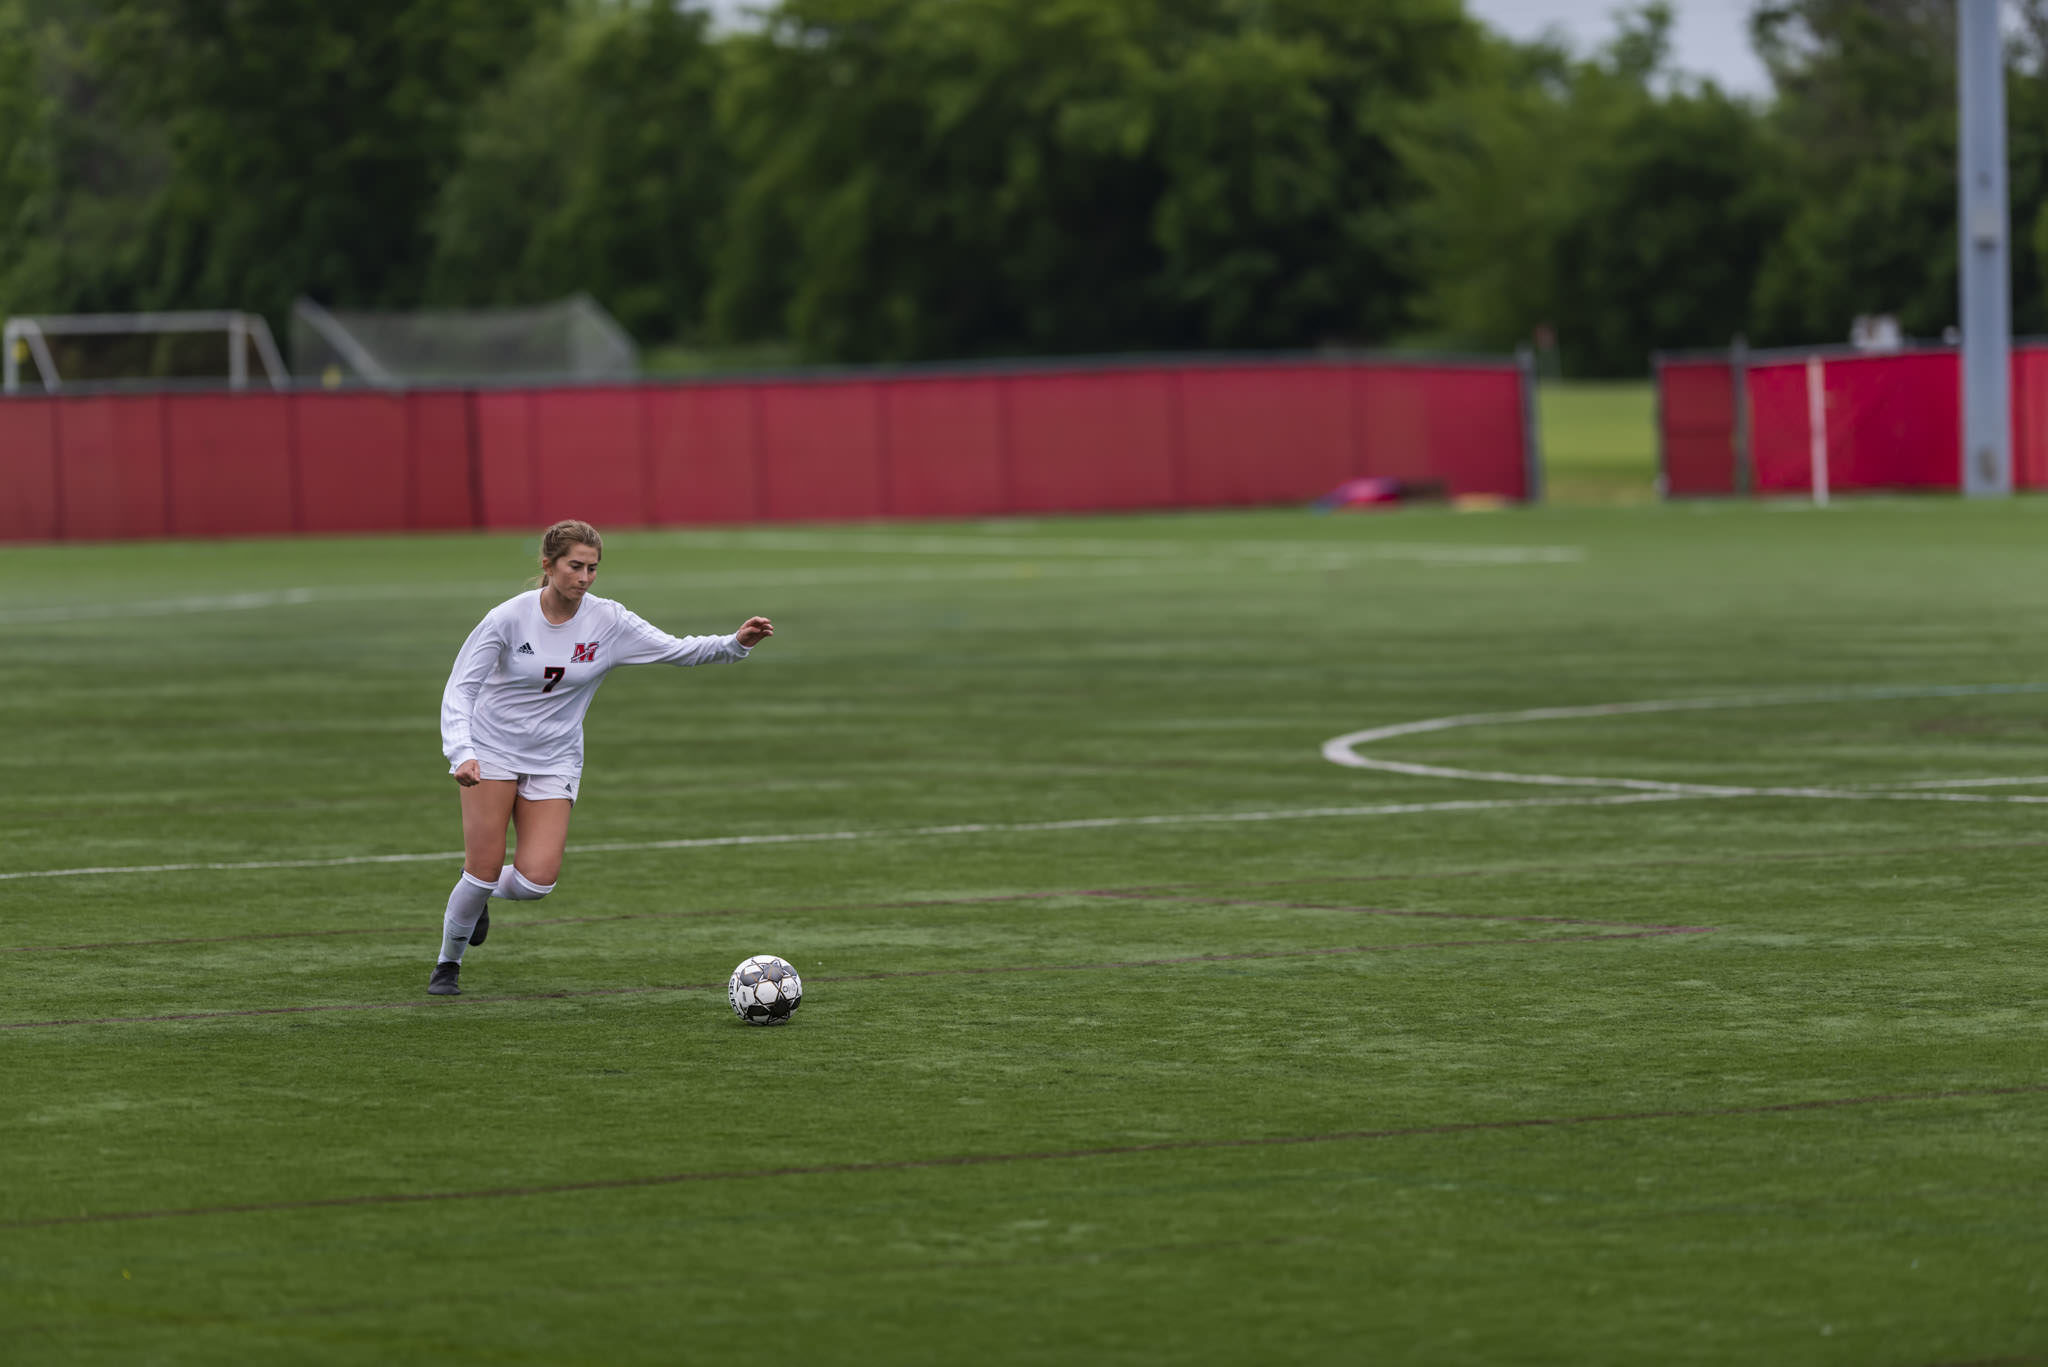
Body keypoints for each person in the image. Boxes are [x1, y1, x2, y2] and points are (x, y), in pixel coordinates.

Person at [430, 518, 772, 996]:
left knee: (536, 882)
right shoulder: (507, 618)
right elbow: (461, 688)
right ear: (547, 565)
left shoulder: (608, 620)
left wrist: (734, 645)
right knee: (481, 867)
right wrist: (461, 751)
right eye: (575, 566)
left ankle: (477, 892)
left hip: (556, 758)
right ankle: (449, 964)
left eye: (593, 568)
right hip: (492, 751)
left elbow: (675, 650)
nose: (585, 578)